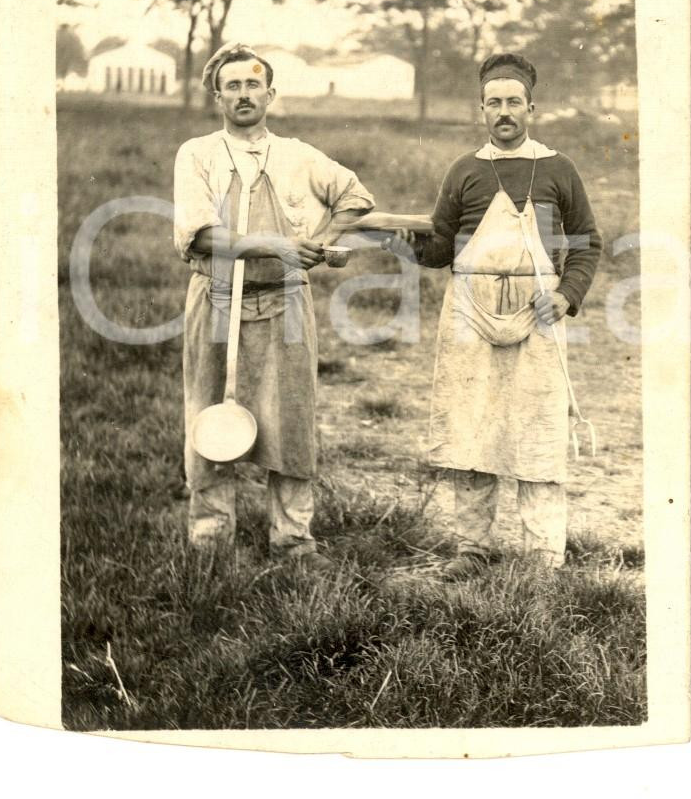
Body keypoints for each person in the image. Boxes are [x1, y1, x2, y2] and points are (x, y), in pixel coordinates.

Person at [393, 52, 601, 575]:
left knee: (538, 429)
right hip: (469, 311)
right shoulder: (464, 170)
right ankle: (472, 549)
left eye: (513, 102)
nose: (503, 112)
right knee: (471, 428)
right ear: (480, 110)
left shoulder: (558, 168)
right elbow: (441, 247)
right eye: (493, 103)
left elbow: (587, 243)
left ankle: (542, 556)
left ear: (532, 106)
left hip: (539, 312)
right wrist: (409, 245)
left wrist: (566, 294)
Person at [173, 43, 374, 568]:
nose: (243, 94)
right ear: (217, 96)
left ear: (270, 93)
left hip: (284, 300)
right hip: (215, 298)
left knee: (292, 417)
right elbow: (203, 235)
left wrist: (317, 245)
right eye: (232, 86)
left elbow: (355, 196)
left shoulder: (297, 155)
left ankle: (293, 540)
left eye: (252, 84)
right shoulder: (198, 153)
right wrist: (280, 245)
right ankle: (210, 538)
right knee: (209, 408)